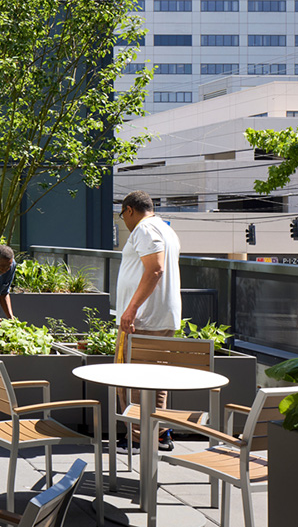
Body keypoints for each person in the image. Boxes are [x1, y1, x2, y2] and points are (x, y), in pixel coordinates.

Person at [115, 189, 182, 453]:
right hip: (164, 316)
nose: (124, 221)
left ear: (130, 210)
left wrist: (131, 309)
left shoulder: (144, 229)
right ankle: (161, 435)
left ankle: (137, 439)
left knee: (129, 379)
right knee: (157, 379)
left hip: (142, 319)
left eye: (123, 216)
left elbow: (155, 268)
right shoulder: (167, 230)